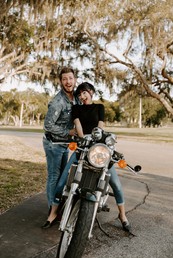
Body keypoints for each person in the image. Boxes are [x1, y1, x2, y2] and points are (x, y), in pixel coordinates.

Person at [52, 82, 130, 231]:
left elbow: (100, 126)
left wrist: (96, 139)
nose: (82, 96)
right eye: (80, 94)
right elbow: (78, 125)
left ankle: (122, 215)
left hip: (98, 144)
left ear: (91, 92)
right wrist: (83, 139)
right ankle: (53, 213)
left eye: (84, 93)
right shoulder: (76, 108)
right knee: (62, 180)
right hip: (83, 143)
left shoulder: (99, 107)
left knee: (116, 185)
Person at [42, 66, 78, 229]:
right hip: (53, 144)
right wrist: (68, 131)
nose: (68, 81)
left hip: (64, 143)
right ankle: (52, 210)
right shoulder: (58, 101)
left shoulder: (75, 98)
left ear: (74, 79)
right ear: (61, 81)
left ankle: (58, 205)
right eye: (64, 79)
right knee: (55, 176)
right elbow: (48, 125)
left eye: (70, 78)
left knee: (64, 176)